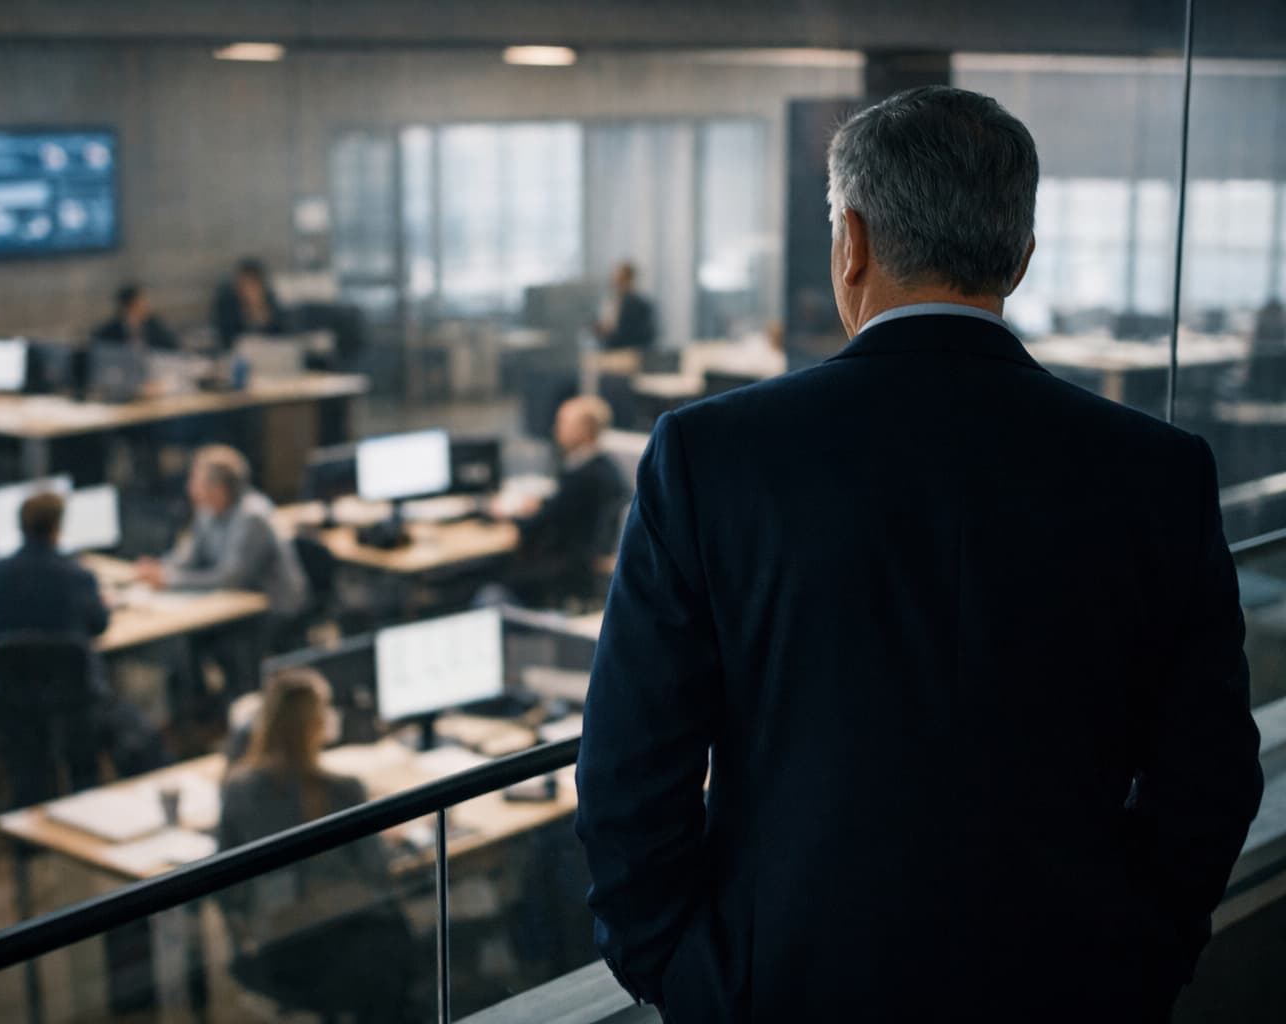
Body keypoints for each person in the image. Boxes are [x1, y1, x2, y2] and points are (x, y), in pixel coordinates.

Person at [575, 86, 1263, 1023]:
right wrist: (1139, 958)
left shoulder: (713, 457)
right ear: (1019, 259)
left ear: (848, 242)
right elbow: (1212, 777)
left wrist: (683, 973)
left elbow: (627, 773)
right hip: (1071, 991)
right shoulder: (1160, 473)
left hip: (780, 990)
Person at [218, 668, 416, 1022]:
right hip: (348, 949)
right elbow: (378, 873)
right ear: (316, 724)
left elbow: (225, 883)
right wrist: (388, 839)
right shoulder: (344, 791)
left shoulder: (238, 790)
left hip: (276, 949)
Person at [0, 492, 165, 803]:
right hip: (75, 700)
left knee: (28, 760)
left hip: (14, 701)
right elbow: (99, 626)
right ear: (57, 528)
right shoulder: (78, 576)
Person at [136, 445, 308, 698]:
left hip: (273, 608)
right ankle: (200, 712)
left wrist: (170, 579)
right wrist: (159, 568)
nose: (190, 489)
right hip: (235, 603)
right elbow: (189, 557)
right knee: (185, 641)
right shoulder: (207, 510)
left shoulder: (252, 518)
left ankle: (236, 704)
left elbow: (230, 578)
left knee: (220, 643)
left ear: (218, 489)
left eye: (196, 482)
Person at [498, 396, 628, 607]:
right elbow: (566, 508)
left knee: (495, 579)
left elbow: (542, 523)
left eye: (563, 423)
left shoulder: (581, 477)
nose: (556, 429)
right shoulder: (605, 468)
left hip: (567, 569)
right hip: (585, 563)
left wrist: (508, 518)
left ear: (585, 430)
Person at [212, 258, 287, 347]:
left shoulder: (269, 301)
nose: (246, 290)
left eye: (251, 284)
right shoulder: (227, 304)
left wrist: (259, 309)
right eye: (242, 284)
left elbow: (281, 333)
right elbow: (227, 338)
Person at [92, 284, 180, 351]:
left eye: (141, 305)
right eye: (132, 306)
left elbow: (172, 345)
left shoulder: (155, 327)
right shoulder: (109, 332)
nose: (137, 310)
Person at [593, 261, 657, 352]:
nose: (615, 282)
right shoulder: (611, 302)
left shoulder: (638, 304)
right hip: (611, 350)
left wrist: (608, 333)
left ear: (629, 279)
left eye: (620, 279)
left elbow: (644, 334)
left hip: (630, 352)